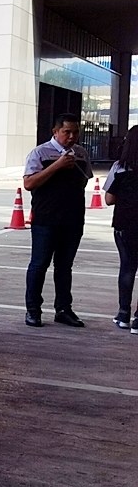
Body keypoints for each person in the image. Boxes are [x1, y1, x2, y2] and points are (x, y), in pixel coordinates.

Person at [22, 113, 93, 327]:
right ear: (55, 131)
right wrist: (57, 165)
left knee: (64, 267)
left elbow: (84, 180)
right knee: (39, 265)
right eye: (66, 132)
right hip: (46, 220)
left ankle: (63, 309)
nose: (71, 137)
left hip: (72, 220)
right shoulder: (40, 153)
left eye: (75, 132)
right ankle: (33, 310)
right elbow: (29, 183)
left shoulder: (81, 154)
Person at [103, 124, 138, 333]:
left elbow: (109, 199)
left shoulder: (120, 167)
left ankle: (124, 314)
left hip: (125, 224)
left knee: (127, 267)